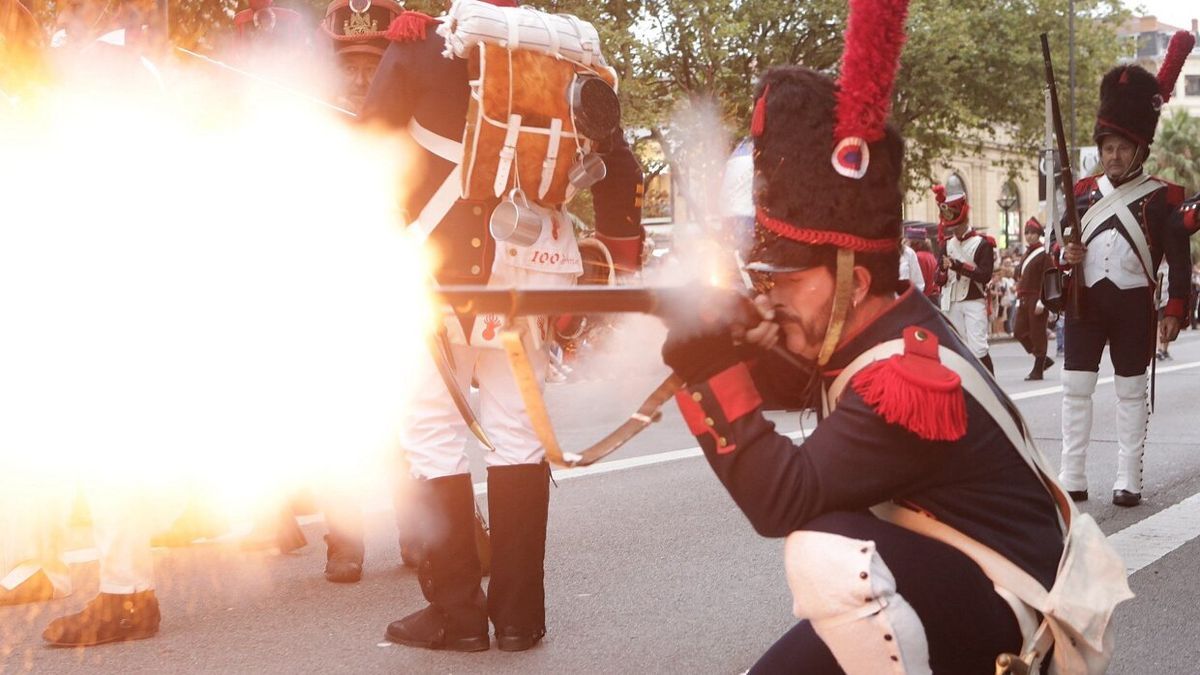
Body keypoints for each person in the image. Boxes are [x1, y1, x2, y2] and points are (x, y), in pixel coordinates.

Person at [658, 41, 1129, 672]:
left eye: (785, 279)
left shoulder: (907, 378)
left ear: (852, 283)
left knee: (827, 554)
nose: (770, 292)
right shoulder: (875, 327)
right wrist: (720, 338)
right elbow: (789, 381)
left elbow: (782, 499)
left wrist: (708, 370)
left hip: (1017, 615)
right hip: (954, 577)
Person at [360, 0, 644, 652]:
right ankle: (519, 617)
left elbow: (365, 159)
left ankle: (457, 613)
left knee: (430, 430)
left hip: (438, 273)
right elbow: (619, 171)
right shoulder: (570, 55)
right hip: (535, 274)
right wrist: (607, 272)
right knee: (518, 432)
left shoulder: (420, 45)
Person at [1058, 40, 1192, 508]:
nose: (1113, 156)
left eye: (1122, 148)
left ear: (1140, 149)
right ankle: (1071, 474)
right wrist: (1066, 256)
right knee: (1075, 388)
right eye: (1108, 148)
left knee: (1132, 393)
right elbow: (1063, 246)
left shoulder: (1163, 196)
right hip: (1086, 301)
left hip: (1136, 304)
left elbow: (1178, 258)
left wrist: (1175, 309)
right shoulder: (1081, 192)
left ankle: (1127, 479)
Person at [933, 185, 996, 373]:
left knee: (978, 348)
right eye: (951, 227)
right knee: (958, 349)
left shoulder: (983, 244)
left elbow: (984, 276)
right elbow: (938, 278)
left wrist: (958, 266)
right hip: (950, 301)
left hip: (973, 299)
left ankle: (992, 388)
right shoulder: (946, 245)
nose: (954, 231)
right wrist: (944, 270)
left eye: (957, 226)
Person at [1013, 218, 1053, 380]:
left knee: (1038, 333)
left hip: (1036, 297)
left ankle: (1038, 369)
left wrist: (1042, 301)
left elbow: (1048, 278)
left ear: (1039, 234)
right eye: (1027, 233)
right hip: (1023, 298)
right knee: (1019, 332)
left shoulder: (1044, 253)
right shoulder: (1027, 253)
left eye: (1033, 233)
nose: (1029, 236)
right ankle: (1043, 360)